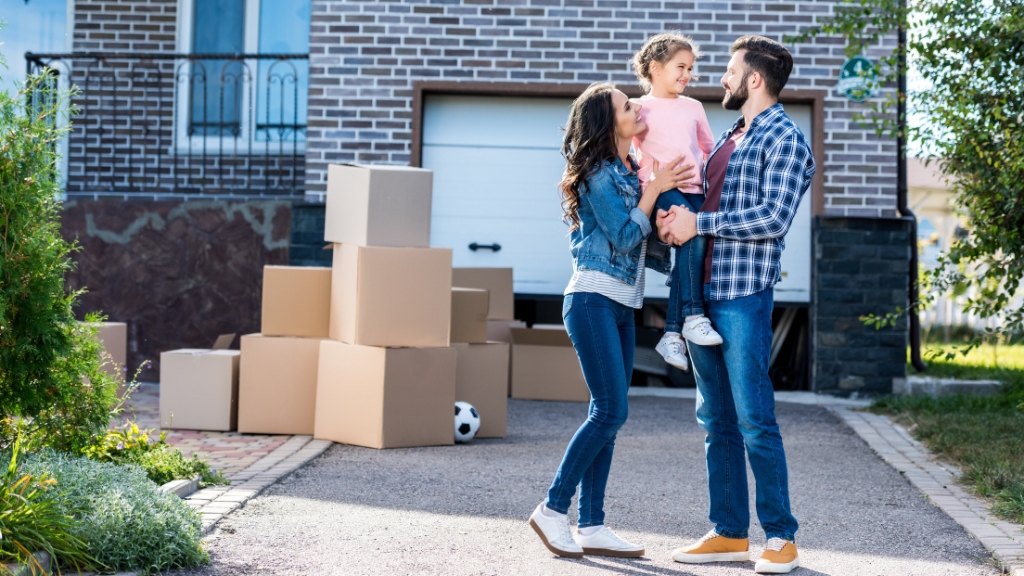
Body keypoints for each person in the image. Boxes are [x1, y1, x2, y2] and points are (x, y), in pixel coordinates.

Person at [656, 35, 815, 574]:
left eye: (728, 70)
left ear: (753, 79)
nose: (719, 79)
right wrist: (673, 220)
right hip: (699, 293)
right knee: (715, 419)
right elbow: (699, 202)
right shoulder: (730, 135)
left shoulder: (786, 139)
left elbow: (772, 220)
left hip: (742, 293)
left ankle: (780, 537)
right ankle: (728, 531)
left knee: (753, 418)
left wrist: (699, 223)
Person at [528, 82, 693, 559]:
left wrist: (670, 224)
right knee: (610, 410)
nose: (637, 106)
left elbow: (644, 245)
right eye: (627, 105)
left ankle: (593, 524)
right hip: (592, 300)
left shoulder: (629, 171)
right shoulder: (598, 174)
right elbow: (622, 237)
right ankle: (553, 508)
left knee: (609, 415)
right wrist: (656, 190)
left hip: (622, 303)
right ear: (608, 122)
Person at [630, 32, 723, 372]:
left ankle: (671, 333)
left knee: (691, 250)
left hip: (695, 189)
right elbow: (625, 148)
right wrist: (648, 190)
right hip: (662, 189)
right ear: (655, 68)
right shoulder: (638, 108)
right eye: (680, 67)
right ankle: (693, 316)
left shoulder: (694, 107)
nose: (687, 74)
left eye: (691, 69)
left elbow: (709, 150)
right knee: (692, 241)